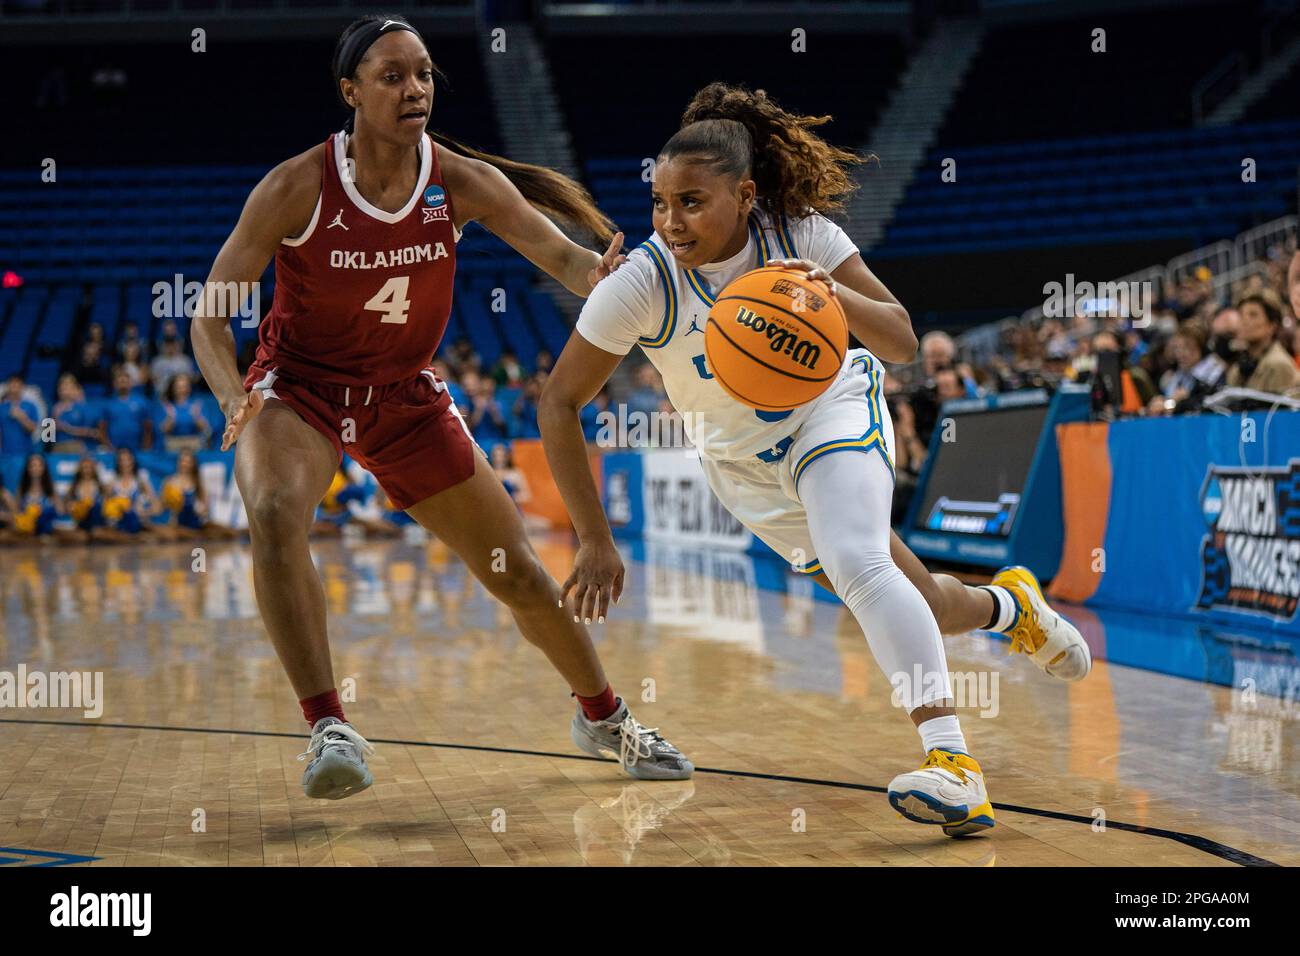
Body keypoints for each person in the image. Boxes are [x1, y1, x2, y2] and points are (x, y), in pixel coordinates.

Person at [538, 83, 1091, 837]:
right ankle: (1010, 607)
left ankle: (953, 765)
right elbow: (558, 403)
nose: (670, 221)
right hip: (745, 470)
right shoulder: (643, 281)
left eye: (692, 202)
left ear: (745, 193)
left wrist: (836, 300)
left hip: (831, 416)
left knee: (861, 564)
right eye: (660, 202)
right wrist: (594, 538)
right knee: (920, 600)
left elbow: (900, 343)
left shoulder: (801, 234)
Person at [190, 14, 690, 801]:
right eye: (393, 76)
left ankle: (603, 715)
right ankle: (329, 725)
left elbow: (561, 257)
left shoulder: (454, 178)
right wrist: (232, 392)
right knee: (278, 507)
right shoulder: (296, 185)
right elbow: (209, 311)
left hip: (404, 398)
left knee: (519, 573)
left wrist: (610, 276)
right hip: (302, 390)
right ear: (351, 92)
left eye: (423, 73)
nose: (414, 88)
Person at [1225, 290, 1299, 396]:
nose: (1244, 321)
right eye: (1241, 314)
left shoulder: (1279, 365)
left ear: (1273, 325)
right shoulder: (1237, 369)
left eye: (1253, 315)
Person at [155, 373, 213, 452]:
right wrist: (171, 418)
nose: (182, 389)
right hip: (173, 443)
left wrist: (196, 416)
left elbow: (206, 429)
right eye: (179, 387)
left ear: (189, 387)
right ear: (173, 388)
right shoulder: (167, 405)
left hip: (193, 441)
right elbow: (162, 430)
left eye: (185, 386)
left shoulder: (197, 404)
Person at [100, 367, 152, 451]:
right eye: (120, 382)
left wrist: (145, 447)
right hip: (114, 447)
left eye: (125, 381)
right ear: (115, 384)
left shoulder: (141, 402)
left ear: (130, 383)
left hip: (137, 446)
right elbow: (102, 428)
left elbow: (147, 428)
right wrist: (108, 446)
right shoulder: (108, 404)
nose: (123, 384)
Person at [50, 373, 100, 452]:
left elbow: (93, 430)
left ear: (74, 388)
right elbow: (49, 434)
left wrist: (68, 429)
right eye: (62, 386)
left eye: (67, 385)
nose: (64, 389)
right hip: (59, 446)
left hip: (78, 445)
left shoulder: (82, 406)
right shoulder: (55, 408)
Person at [1, 375, 41, 455]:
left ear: (22, 386)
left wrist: (21, 417)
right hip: (4, 454)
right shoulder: (2, 407)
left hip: (25, 453)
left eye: (17, 384)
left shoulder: (30, 405)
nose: (14, 387)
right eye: (12, 384)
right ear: (7, 386)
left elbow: (33, 429)